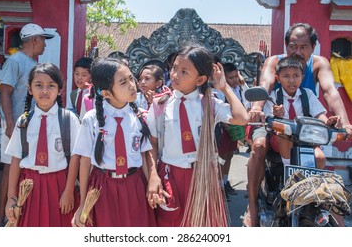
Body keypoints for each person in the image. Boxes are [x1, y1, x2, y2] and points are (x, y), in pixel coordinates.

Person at [244, 22, 352, 227]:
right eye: (293, 46)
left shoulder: (319, 64)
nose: (297, 51)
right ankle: (252, 207)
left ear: (313, 48)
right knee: (258, 147)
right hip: (271, 120)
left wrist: (345, 123)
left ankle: (328, 214)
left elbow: (330, 91)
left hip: (305, 129)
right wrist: (257, 108)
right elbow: (265, 84)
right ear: (286, 47)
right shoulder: (274, 62)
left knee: (320, 158)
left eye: (303, 47)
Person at [146, 45, 249, 227]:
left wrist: (224, 88)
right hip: (171, 175)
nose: (175, 74)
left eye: (184, 71)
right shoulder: (160, 104)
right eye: (174, 68)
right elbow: (152, 143)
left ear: (200, 79)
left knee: (203, 224)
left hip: (203, 176)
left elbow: (242, 118)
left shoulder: (209, 104)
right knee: (170, 223)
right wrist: (153, 175)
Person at [71, 57, 156, 227]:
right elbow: (85, 161)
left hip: (134, 185)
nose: (132, 85)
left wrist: (150, 184)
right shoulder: (91, 119)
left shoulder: (141, 116)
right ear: (106, 93)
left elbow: (145, 155)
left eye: (131, 78)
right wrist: (82, 204)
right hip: (102, 187)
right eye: (123, 82)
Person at [5, 63, 81, 226]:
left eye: (51, 86)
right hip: (29, 187)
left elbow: (75, 157)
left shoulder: (69, 119)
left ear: (60, 90)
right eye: (38, 85)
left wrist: (68, 191)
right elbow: (16, 159)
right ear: (30, 89)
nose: (45, 91)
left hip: (60, 184)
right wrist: (11, 197)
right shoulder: (24, 121)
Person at [0, 23, 54, 226]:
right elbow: (5, 92)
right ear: (34, 40)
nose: (45, 45)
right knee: (10, 169)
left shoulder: (33, 64)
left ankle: (20, 215)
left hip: (31, 126)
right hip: (15, 125)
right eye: (43, 40)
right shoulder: (15, 61)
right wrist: (10, 123)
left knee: (25, 169)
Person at [263, 56, 340, 167]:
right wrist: (275, 114)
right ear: (278, 78)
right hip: (280, 140)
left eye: (296, 76)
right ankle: (289, 170)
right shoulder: (273, 97)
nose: (291, 80)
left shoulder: (308, 94)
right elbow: (268, 123)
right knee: (284, 134)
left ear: (302, 78)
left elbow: (319, 115)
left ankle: (312, 181)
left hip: (305, 139)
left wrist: (328, 121)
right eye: (286, 76)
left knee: (320, 158)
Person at [213, 62, 250, 197]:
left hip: (233, 129)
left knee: (229, 155)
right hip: (224, 129)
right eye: (231, 78)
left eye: (236, 76)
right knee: (221, 157)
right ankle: (218, 186)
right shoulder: (219, 92)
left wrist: (242, 82)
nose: (234, 80)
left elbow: (246, 100)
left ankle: (225, 181)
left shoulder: (238, 89)